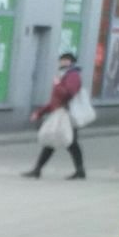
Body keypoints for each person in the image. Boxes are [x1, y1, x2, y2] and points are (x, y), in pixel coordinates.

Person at [25, 52, 87, 180]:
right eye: (62, 60)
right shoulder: (64, 75)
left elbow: (69, 94)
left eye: (66, 60)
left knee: (69, 142)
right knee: (58, 141)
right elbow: (55, 100)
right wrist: (40, 112)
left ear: (72, 62)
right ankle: (38, 169)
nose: (63, 62)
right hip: (60, 113)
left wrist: (58, 85)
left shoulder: (73, 75)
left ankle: (79, 171)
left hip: (67, 114)